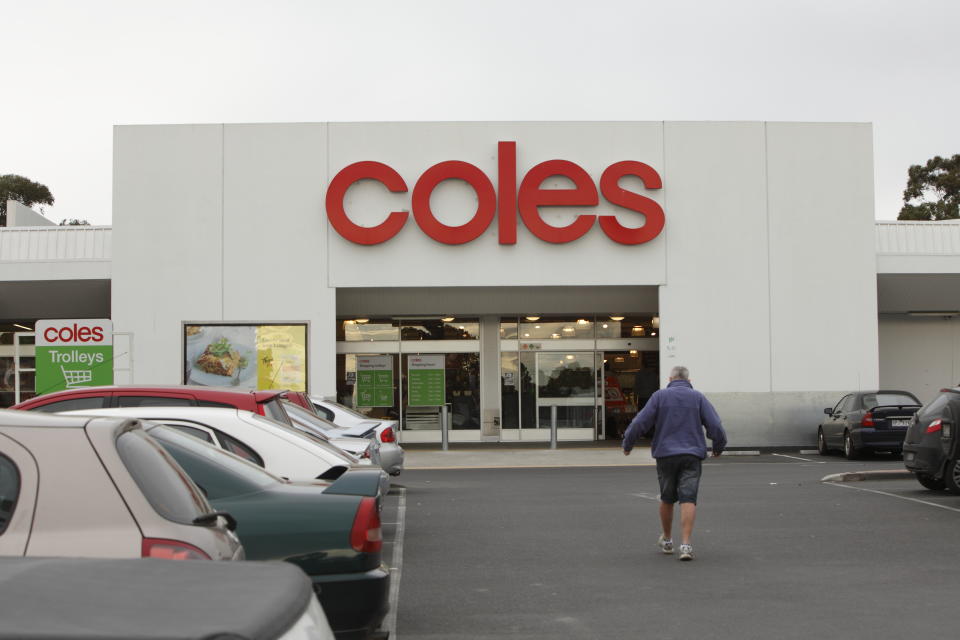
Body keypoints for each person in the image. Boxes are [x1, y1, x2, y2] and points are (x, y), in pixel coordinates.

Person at [622, 365, 726, 561]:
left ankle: (668, 540)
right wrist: (718, 446)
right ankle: (685, 544)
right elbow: (715, 425)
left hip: (666, 455)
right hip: (692, 455)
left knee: (667, 497)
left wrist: (628, 443)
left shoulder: (659, 397)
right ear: (689, 381)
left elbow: (640, 422)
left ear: (670, 380)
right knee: (688, 498)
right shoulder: (698, 397)